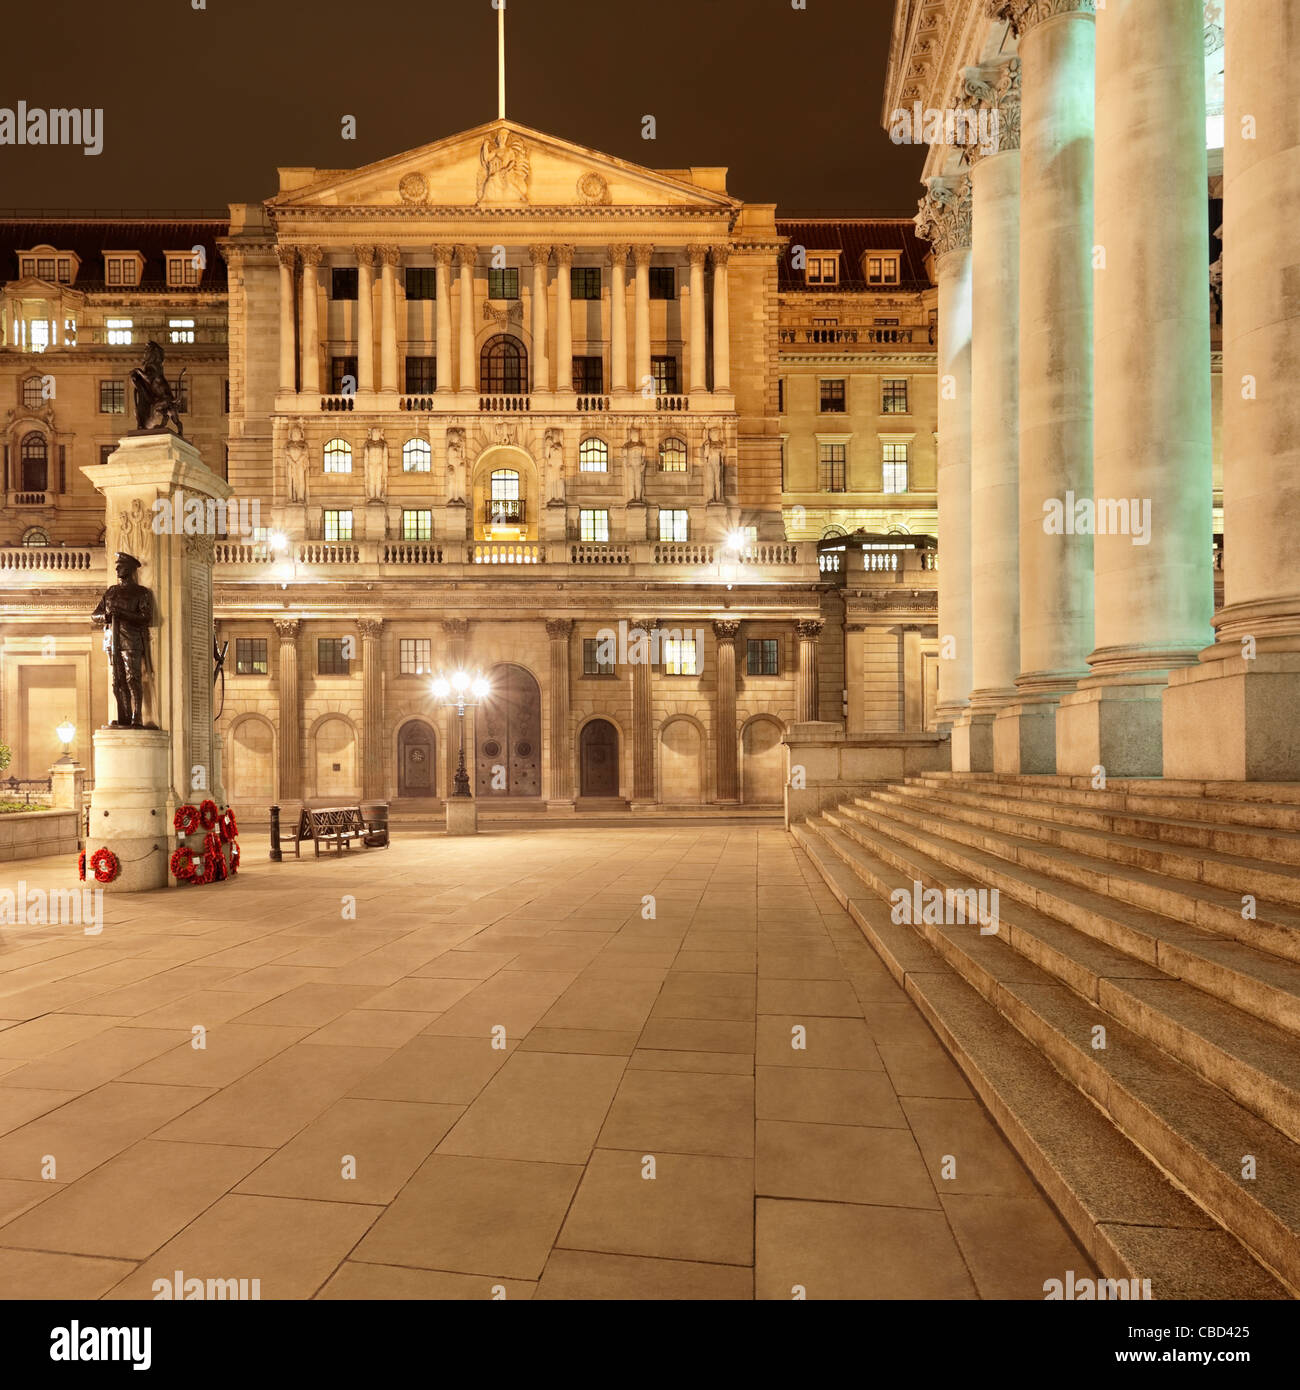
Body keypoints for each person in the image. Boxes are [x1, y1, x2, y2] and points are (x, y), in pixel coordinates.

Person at [91, 553, 154, 728]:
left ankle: (137, 716)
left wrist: (123, 614)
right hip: (112, 640)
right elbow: (94, 615)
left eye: (121, 566)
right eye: (117, 566)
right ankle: (123, 716)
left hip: (131, 639)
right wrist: (106, 615)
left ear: (131, 569)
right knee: (117, 681)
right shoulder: (111, 591)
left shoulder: (140, 592)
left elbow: (146, 617)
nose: (117, 569)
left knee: (132, 678)